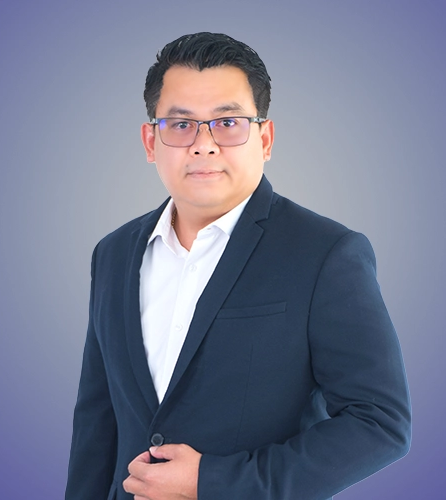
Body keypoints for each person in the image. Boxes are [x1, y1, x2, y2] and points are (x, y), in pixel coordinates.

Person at [65, 32, 411, 500]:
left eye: (228, 122)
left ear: (264, 139)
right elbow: (97, 421)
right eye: (181, 124)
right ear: (151, 141)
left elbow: (380, 422)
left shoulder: (325, 253)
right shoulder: (114, 253)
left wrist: (213, 481)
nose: (203, 145)